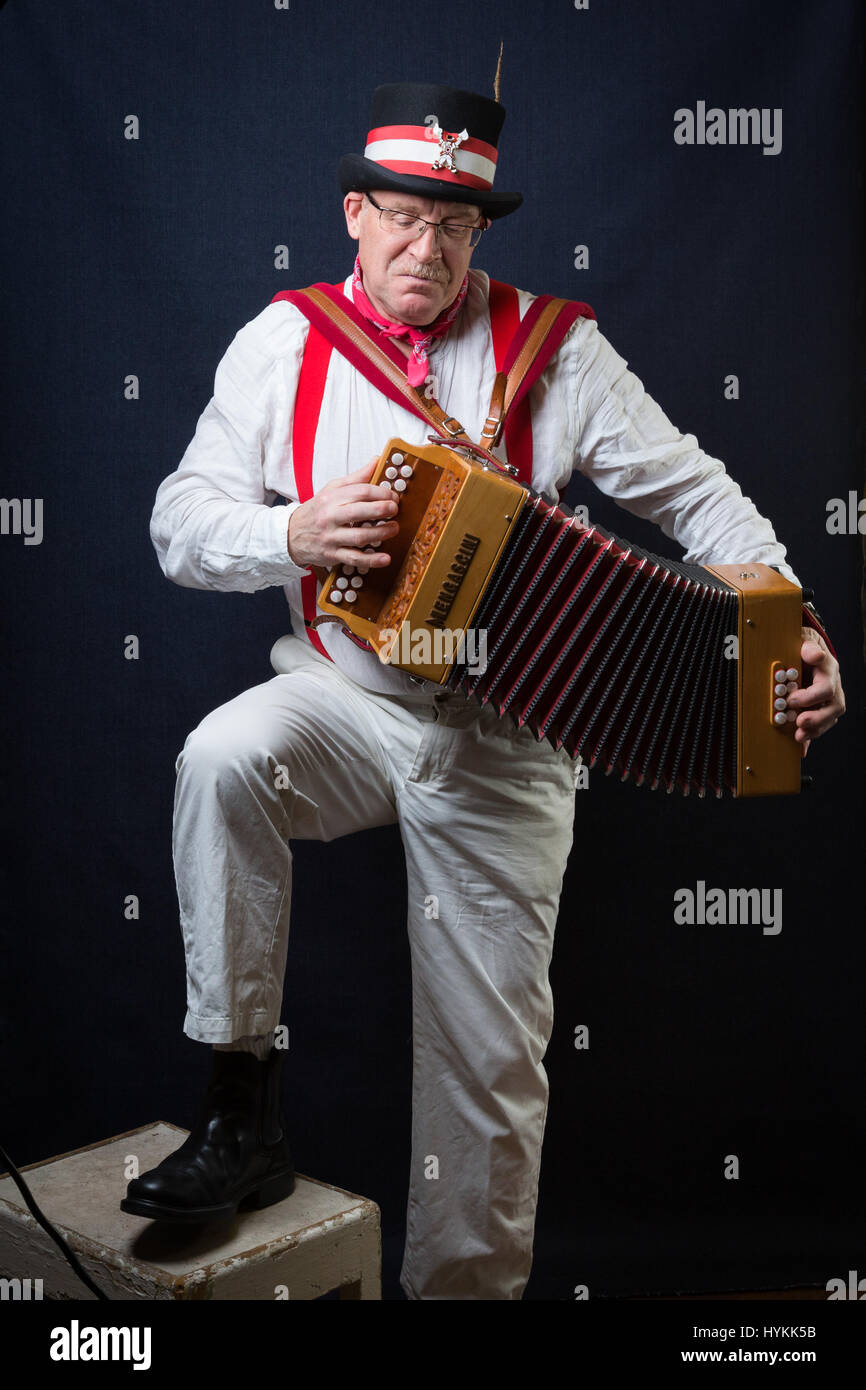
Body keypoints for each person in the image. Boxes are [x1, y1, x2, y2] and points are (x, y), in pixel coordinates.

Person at [121, 82, 845, 1300]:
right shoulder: (285, 338)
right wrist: (291, 531)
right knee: (221, 758)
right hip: (345, 698)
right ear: (354, 214)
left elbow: (697, 497)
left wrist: (791, 625)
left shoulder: (555, 351)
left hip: (506, 738)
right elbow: (178, 522)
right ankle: (241, 1107)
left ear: (481, 233)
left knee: (489, 1069)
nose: (427, 247)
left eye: (454, 224)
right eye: (402, 216)